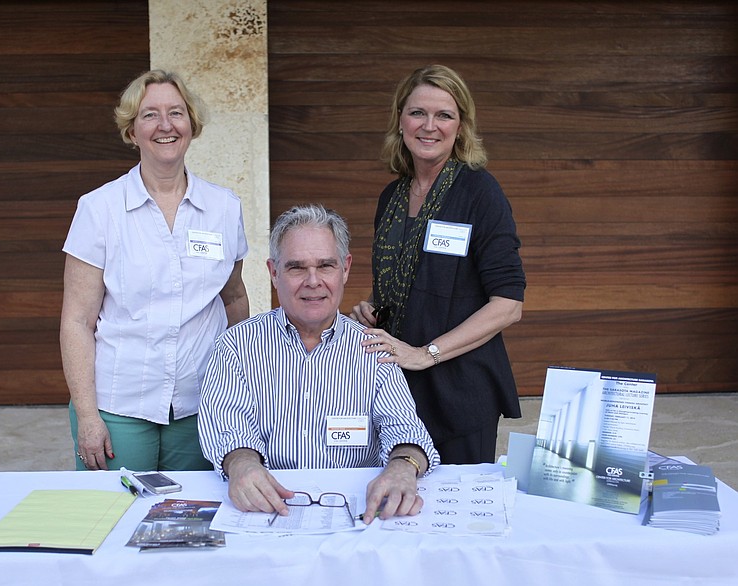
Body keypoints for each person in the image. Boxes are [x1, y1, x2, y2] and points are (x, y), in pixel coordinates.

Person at [198, 204, 440, 525]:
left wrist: (402, 467)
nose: (313, 281)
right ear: (273, 272)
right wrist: (242, 464)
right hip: (268, 509)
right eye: (297, 267)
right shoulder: (236, 346)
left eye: (325, 265)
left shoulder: (373, 347)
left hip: (356, 512)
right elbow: (229, 426)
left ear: (345, 269)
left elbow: (406, 429)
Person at [60, 69, 250, 472]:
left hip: (202, 403)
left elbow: (234, 298)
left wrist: (237, 386)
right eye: (150, 115)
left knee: (193, 522)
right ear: (131, 131)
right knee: (114, 519)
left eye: (176, 113)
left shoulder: (224, 208)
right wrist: (88, 416)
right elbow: (77, 321)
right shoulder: (99, 209)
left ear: (192, 126)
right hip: (118, 405)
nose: (165, 125)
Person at [350, 64, 526, 465]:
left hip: (460, 393)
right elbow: (404, 283)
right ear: (400, 120)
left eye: (444, 115)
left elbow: (508, 304)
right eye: (418, 113)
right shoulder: (391, 198)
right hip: (397, 391)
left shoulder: (480, 192)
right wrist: (371, 309)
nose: (430, 126)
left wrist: (424, 353)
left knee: (453, 512)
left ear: (461, 126)